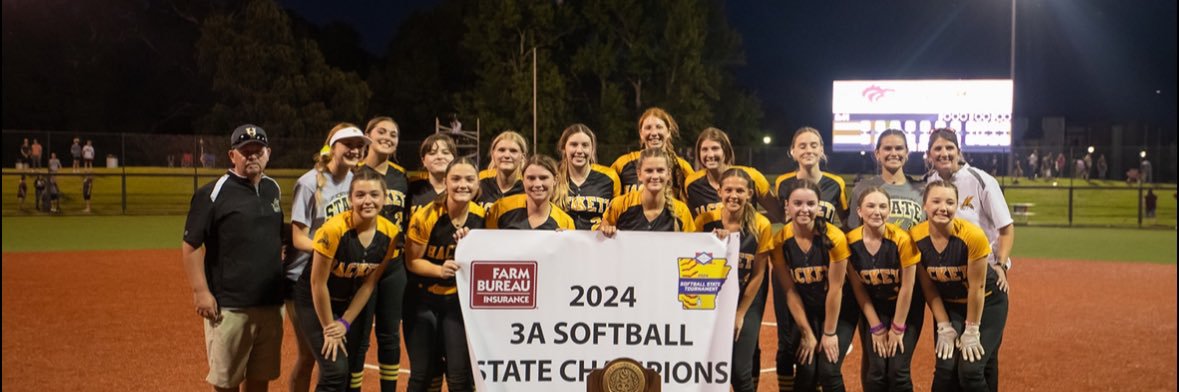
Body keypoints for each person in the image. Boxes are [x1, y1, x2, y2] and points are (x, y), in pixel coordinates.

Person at [181, 124, 285, 392]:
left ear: (268, 153)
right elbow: (191, 245)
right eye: (245, 150)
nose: (252, 155)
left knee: (260, 380)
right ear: (232, 155)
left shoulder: (273, 189)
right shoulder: (212, 193)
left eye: (257, 150)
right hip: (231, 307)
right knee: (227, 383)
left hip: (270, 305)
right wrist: (200, 291)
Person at [294, 168, 400, 392]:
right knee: (335, 370)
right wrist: (329, 327)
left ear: (384, 197)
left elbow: (369, 283)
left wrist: (344, 322)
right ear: (350, 199)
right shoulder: (332, 230)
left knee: (349, 370)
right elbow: (317, 283)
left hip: (347, 302)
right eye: (360, 195)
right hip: (314, 301)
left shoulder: (391, 234)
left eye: (374, 194)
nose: (367, 201)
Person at [925, 128, 1013, 389]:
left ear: (958, 150)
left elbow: (1005, 228)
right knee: (949, 366)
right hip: (948, 283)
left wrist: (1001, 264)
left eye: (949, 148)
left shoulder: (979, 179)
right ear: (929, 154)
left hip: (982, 278)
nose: (944, 153)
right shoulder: (928, 181)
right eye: (938, 149)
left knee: (980, 364)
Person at [288, 123, 370, 392]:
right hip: (302, 277)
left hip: (338, 279)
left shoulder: (356, 182)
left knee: (329, 357)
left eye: (359, 145)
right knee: (312, 356)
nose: (355, 150)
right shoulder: (309, 183)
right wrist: (329, 251)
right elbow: (298, 238)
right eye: (348, 144)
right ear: (332, 147)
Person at [912, 180, 1008, 392]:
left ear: (957, 206)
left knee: (972, 370)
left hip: (988, 302)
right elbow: (928, 286)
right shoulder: (915, 237)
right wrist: (943, 324)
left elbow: (977, 288)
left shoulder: (971, 236)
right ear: (924, 205)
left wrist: (972, 329)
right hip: (951, 306)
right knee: (945, 368)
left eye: (950, 202)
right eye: (936, 201)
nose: (943, 208)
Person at [772, 127, 848, 390]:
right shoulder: (783, 183)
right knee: (787, 343)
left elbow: (847, 221)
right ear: (793, 151)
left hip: (823, 263)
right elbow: (779, 217)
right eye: (802, 145)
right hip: (792, 262)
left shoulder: (835, 183)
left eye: (814, 145)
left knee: (816, 346)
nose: (808, 150)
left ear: (822, 149)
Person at [404, 157, 485, 392]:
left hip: (458, 303)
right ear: (446, 182)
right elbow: (412, 262)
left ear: (478, 184)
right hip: (422, 299)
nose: (463, 185)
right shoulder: (426, 215)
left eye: (469, 179)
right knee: (422, 375)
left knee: (459, 375)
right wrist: (439, 270)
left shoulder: (482, 217)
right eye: (456, 179)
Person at [693, 168, 773, 392]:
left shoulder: (760, 225)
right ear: (719, 191)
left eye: (740, 190)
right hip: (713, 299)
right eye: (728, 190)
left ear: (749, 193)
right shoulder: (704, 221)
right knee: (706, 365)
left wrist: (739, 314)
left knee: (739, 370)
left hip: (747, 300)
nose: (733, 195)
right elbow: (694, 263)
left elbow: (759, 273)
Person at [845, 187, 923, 391]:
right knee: (876, 371)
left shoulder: (902, 240)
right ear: (859, 211)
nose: (877, 211)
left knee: (897, 370)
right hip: (874, 308)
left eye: (883, 206)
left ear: (889, 211)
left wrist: (897, 328)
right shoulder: (850, 243)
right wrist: (876, 327)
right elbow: (858, 289)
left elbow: (908, 287)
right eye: (870, 206)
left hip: (906, 308)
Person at [355, 116, 411, 392]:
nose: (388, 137)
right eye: (381, 131)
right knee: (360, 335)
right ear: (368, 135)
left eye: (393, 134)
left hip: (393, 264)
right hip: (359, 264)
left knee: (389, 334)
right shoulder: (353, 171)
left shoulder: (402, 177)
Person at [686, 127, 781, 222]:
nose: (710, 155)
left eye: (715, 148)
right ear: (698, 153)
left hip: (744, 237)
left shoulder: (751, 176)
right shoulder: (692, 184)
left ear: (725, 151)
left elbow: (778, 214)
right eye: (704, 149)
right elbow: (691, 223)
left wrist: (749, 221)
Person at [597, 147, 695, 235]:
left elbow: (691, 248)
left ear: (668, 174)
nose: (655, 176)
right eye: (649, 171)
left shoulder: (681, 211)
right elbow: (599, 237)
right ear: (639, 174)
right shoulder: (620, 205)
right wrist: (606, 230)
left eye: (660, 170)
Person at [848, 129, 926, 231]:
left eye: (899, 148)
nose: (893, 153)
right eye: (887, 148)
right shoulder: (862, 189)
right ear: (877, 154)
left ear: (906, 152)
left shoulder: (922, 190)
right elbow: (853, 233)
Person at [610, 107, 694, 197]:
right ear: (641, 134)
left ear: (668, 132)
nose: (654, 133)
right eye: (648, 128)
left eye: (659, 127)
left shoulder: (682, 167)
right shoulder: (623, 164)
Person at [555, 124, 620, 230]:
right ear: (563, 148)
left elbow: (618, 215)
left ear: (592, 149)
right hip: (562, 244)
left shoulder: (609, 177)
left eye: (585, 145)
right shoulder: (553, 177)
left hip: (598, 244)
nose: (579, 150)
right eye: (574, 145)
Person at [487, 155, 575, 230]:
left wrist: (564, 240)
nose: (537, 184)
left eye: (543, 178)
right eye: (531, 178)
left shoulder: (565, 222)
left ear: (555, 180)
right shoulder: (501, 208)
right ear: (523, 179)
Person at [408, 134, 457, 217]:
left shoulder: (462, 190)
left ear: (454, 159)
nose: (439, 157)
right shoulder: (411, 190)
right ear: (423, 161)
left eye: (445, 152)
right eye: (432, 153)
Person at [476, 131, 527, 211]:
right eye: (501, 150)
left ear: (522, 157)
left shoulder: (528, 187)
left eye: (513, 151)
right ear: (493, 154)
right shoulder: (479, 182)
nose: (507, 155)